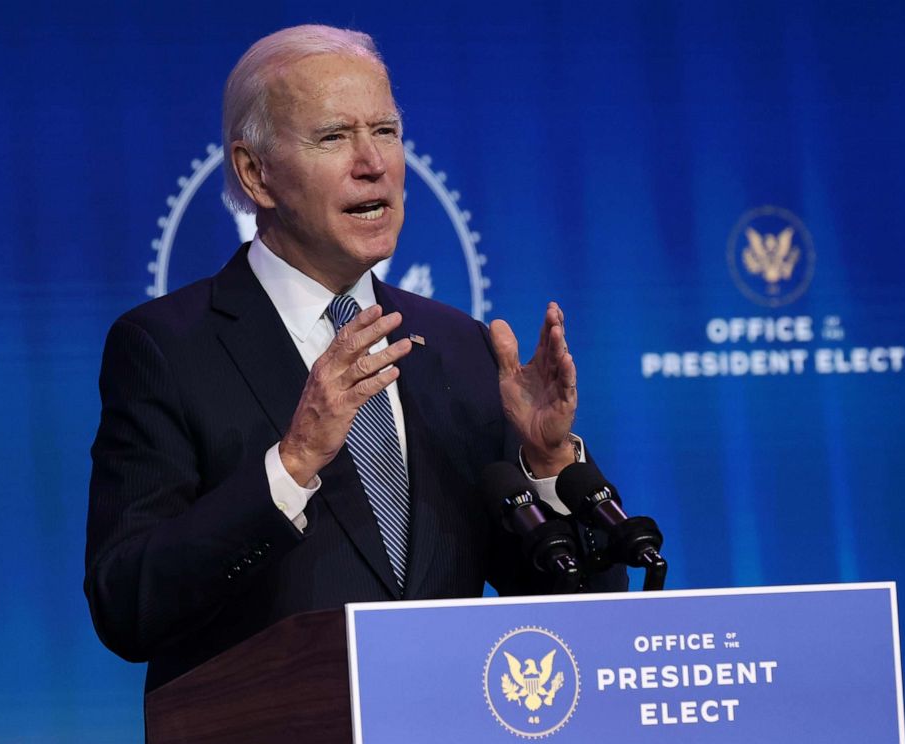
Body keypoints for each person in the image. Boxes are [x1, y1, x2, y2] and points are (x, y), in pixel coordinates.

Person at [85, 24, 625, 692]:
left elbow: (587, 610)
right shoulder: (167, 346)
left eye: (387, 132)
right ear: (256, 173)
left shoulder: (457, 347)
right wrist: (291, 465)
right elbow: (126, 604)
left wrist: (547, 465)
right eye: (334, 137)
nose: (372, 162)